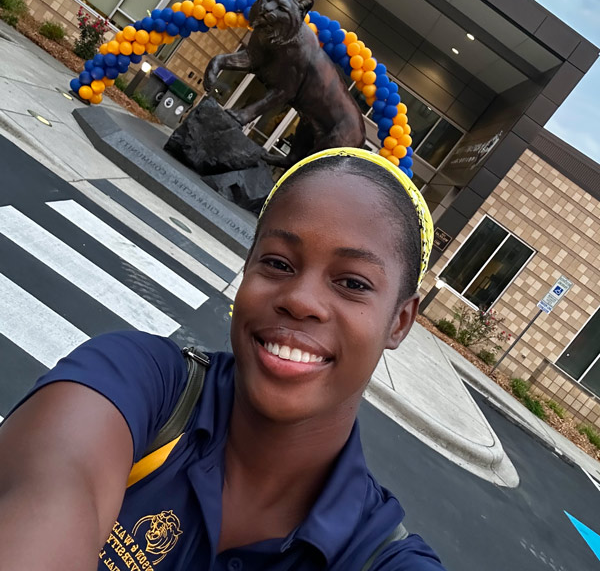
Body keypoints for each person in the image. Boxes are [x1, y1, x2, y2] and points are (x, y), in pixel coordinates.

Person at [0, 147, 444, 571]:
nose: (301, 300)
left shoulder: (376, 554)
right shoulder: (139, 385)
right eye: (278, 263)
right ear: (247, 268)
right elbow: (53, 484)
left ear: (400, 321)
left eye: (352, 283)